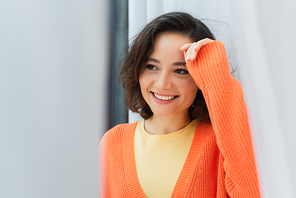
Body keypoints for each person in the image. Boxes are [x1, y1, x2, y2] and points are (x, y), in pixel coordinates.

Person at [99, 12, 261, 198]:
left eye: (180, 71)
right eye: (151, 67)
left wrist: (217, 75)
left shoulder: (219, 144)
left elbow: (253, 192)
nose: (162, 84)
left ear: (198, 78)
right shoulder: (113, 142)